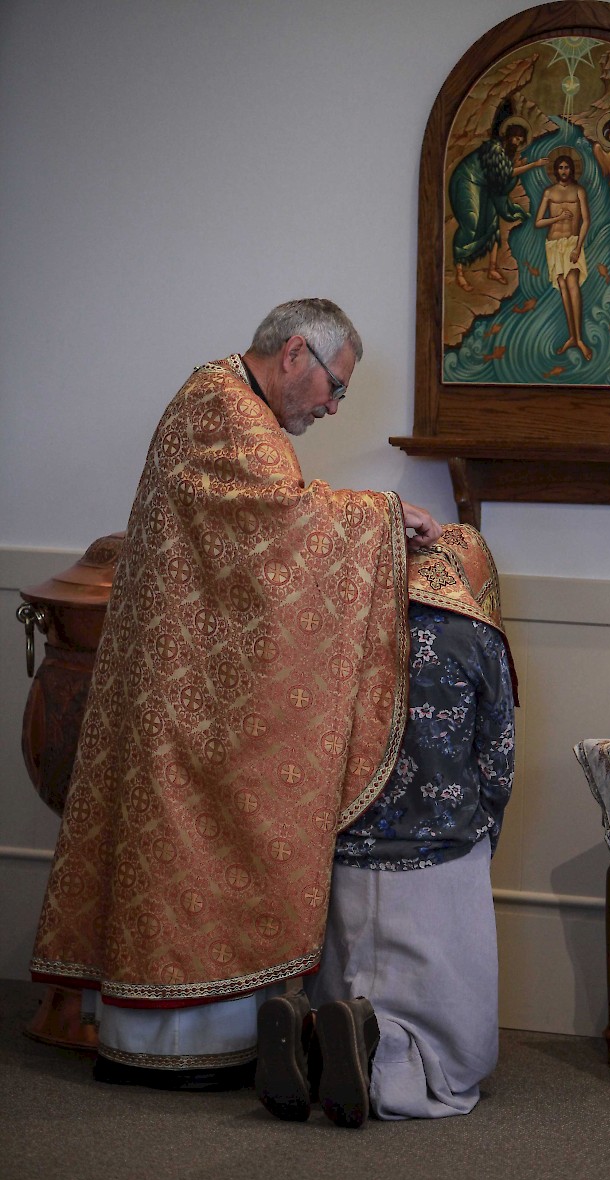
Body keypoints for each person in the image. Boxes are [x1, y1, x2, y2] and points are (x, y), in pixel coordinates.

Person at [30, 298, 441, 1089]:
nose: (332, 406)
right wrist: (388, 516)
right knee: (201, 836)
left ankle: (195, 1038)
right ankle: (174, 1047)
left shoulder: (221, 400)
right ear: (295, 353)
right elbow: (281, 524)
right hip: (186, 696)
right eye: (335, 387)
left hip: (182, 679)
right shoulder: (227, 412)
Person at [255, 523, 516, 1126]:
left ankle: (309, 1033)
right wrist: (485, 834)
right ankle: (391, 1053)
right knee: (447, 1026)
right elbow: (496, 754)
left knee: (346, 972)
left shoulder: (344, 624)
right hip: (441, 851)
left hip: (345, 846)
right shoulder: (477, 636)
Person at [449, 101, 548, 292]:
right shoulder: (494, 148)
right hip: (467, 180)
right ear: (508, 135)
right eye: (516, 138)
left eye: (520, 140)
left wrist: (517, 167)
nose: (517, 143)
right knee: (472, 222)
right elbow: (506, 174)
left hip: (485, 186)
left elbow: (503, 179)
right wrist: (533, 165)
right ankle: (459, 272)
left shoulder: (507, 155)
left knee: (493, 223)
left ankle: (492, 268)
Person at [534, 152, 592, 360]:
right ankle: (572, 337)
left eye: (567, 167)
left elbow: (586, 221)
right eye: (560, 168)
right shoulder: (549, 192)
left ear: (572, 169)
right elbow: (538, 222)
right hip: (553, 244)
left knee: (573, 285)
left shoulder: (579, 190)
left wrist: (578, 247)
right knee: (564, 291)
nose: (564, 171)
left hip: (571, 243)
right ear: (556, 171)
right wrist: (557, 218)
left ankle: (580, 339)